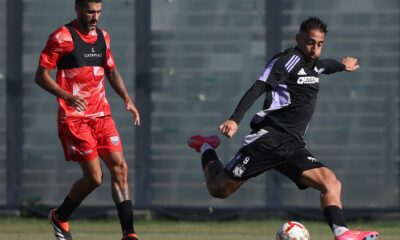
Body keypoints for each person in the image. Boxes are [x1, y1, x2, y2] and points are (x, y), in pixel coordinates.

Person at [188, 17, 379, 240]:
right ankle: (206, 147)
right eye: (310, 42)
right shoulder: (288, 60)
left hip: (292, 146)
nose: (314, 49)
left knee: (330, 182)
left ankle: (342, 233)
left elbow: (325, 66)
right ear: (298, 38)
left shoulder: (314, 63)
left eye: (319, 44)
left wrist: (343, 66)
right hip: (267, 140)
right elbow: (259, 85)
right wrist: (234, 119)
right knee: (218, 189)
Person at [35, 0, 141, 240]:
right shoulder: (62, 37)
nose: (95, 17)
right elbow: (40, 76)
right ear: (78, 9)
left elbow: (111, 72)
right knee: (95, 178)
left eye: (99, 12)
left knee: (120, 168)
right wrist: (67, 96)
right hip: (75, 119)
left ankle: (129, 233)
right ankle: (60, 216)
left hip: (102, 115)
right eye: (90, 11)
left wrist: (127, 98)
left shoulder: (103, 37)